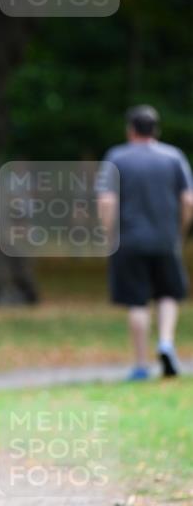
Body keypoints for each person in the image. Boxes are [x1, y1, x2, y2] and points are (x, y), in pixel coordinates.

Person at [97, 104, 193, 380]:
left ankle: (141, 365)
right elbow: (188, 200)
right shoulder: (173, 157)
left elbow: (107, 200)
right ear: (156, 130)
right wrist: (180, 231)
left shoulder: (117, 157)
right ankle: (165, 343)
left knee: (137, 301)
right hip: (166, 239)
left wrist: (108, 233)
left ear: (130, 130)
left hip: (129, 240)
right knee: (168, 294)